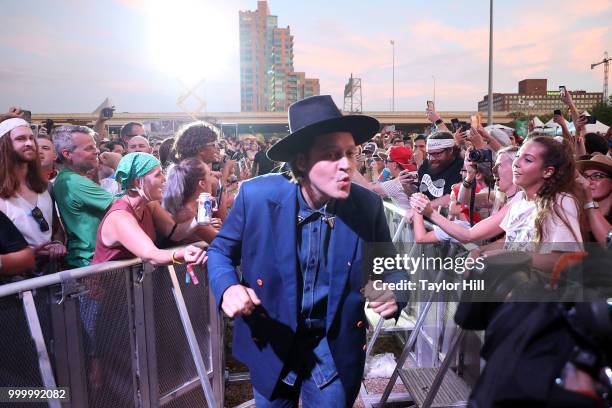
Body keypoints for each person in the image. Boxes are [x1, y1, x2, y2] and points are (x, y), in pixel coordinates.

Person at [207, 95, 406, 407]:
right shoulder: (256, 197)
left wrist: (395, 290)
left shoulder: (367, 206)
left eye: (350, 154)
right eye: (331, 155)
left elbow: (391, 267)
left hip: (334, 349)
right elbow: (220, 251)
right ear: (301, 161)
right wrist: (228, 287)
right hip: (274, 343)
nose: (347, 165)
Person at [92, 153, 207, 265]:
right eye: (158, 175)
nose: (164, 179)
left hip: (132, 282)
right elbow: (150, 254)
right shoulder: (120, 217)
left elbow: (175, 233)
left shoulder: (150, 205)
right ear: (138, 182)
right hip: (109, 283)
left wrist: (199, 217)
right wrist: (180, 254)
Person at [0, 118, 66, 271]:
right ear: (5, 145)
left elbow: (56, 228)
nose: (29, 143)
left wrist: (57, 243)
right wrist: (28, 254)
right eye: (20, 139)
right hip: (17, 281)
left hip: (51, 272)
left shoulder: (46, 187)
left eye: (31, 138)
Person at [52, 125, 115, 269]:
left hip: (91, 260)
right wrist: (119, 165)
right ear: (67, 154)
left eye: (95, 146)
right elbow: (124, 207)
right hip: (92, 262)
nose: (97, 151)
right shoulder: (74, 181)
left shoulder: (68, 178)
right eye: (89, 148)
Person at [162, 158, 222, 244]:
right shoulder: (186, 213)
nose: (214, 176)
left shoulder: (190, 207)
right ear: (202, 184)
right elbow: (221, 242)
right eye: (210, 174)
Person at [417, 131, 463, 208]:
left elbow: (453, 196)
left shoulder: (461, 166)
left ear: (450, 150)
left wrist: (425, 207)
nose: (432, 158)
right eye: (429, 154)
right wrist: (406, 185)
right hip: (424, 217)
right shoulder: (426, 165)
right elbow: (420, 192)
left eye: (437, 154)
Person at [576, 153, 612, 244]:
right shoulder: (576, 212)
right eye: (585, 176)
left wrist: (589, 202)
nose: (588, 182)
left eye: (598, 176)